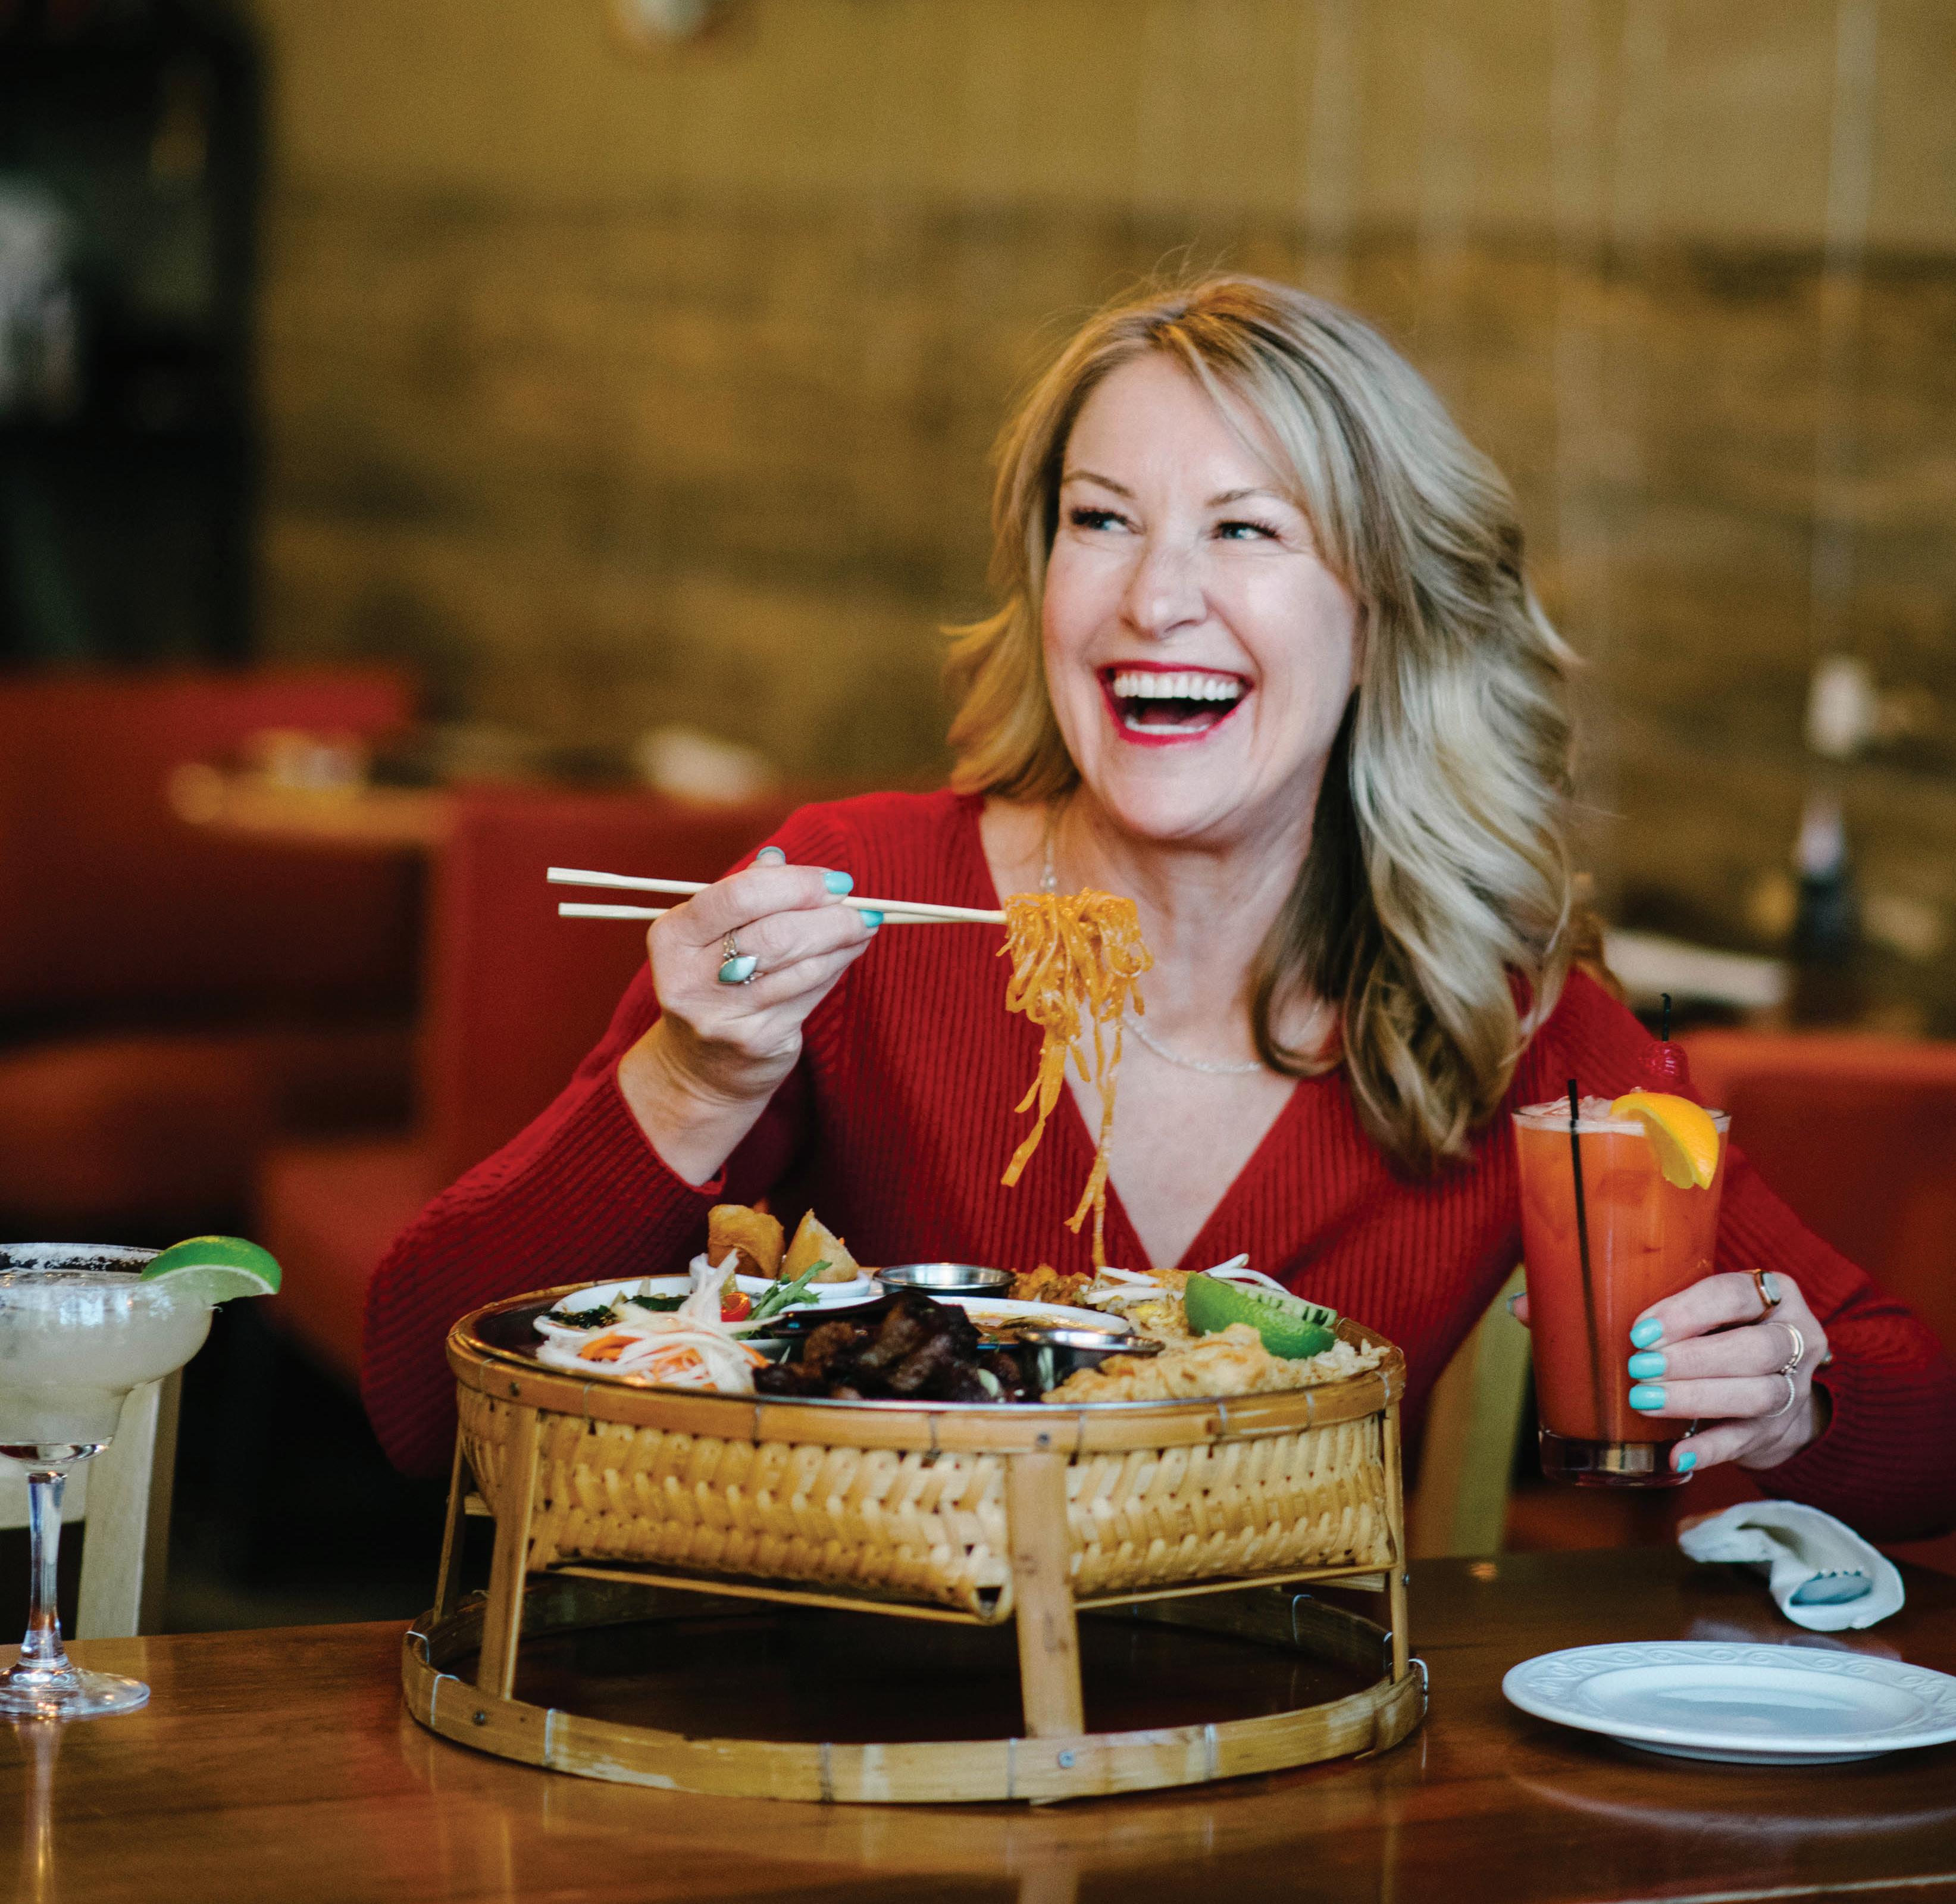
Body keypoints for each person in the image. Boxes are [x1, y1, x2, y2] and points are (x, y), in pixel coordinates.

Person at [362, 276, 1956, 1542]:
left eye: (1244, 530)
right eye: (1101, 519)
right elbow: (421, 1400)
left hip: (1282, 1755)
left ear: (1384, 614)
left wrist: (1792, 1401)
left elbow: (1924, 1421)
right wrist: (687, 1080)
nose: (1152, 598)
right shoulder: (859, 904)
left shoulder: (1498, 1018)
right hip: (845, 1740)